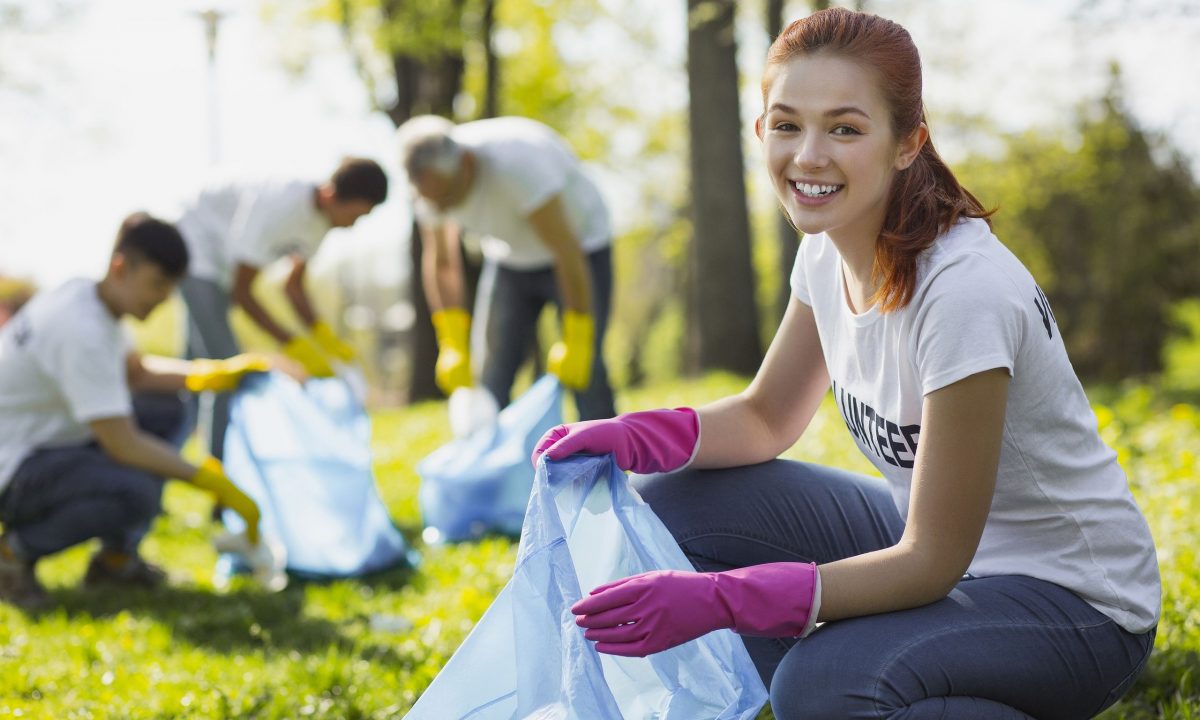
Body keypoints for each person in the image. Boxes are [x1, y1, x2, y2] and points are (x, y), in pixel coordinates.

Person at [533, 8, 1159, 718]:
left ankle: (858, 688)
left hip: (1073, 605)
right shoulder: (826, 248)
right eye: (787, 123)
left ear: (906, 142)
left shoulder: (963, 293)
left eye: (845, 128)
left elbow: (932, 561)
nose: (808, 156)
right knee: (683, 499)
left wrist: (722, 600)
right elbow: (767, 418)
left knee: (824, 685)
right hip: (941, 556)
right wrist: (632, 437)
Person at [0, 213, 264, 610]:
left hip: (45, 447)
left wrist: (206, 375)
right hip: (13, 469)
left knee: (164, 412)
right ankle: (11, 557)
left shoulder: (89, 299)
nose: (162, 299)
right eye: (158, 284)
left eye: (172, 288)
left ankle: (115, 560)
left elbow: (135, 373)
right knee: (135, 491)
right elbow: (123, 445)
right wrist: (212, 482)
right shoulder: (80, 329)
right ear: (121, 267)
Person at [396, 115, 616, 421]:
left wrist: (578, 334)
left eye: (446, 198)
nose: (442, 210)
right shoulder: (430, 187)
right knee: (492, 371)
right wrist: (452, 342)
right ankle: (495, 460)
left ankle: (606, 456)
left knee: (586, 369)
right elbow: (443, 262)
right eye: (434, 204)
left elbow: (565, 250)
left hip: (581, 249)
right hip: (509, 257)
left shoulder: (518, 163)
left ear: (467, 164)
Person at [176, 157, 388, 458]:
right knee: (226, 369)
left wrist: (322, 337)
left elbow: (292, 286)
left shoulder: (322, 221)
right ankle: (220, 479)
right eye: (354, 215)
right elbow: (243, 292)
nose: (352, 225)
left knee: (193, 371)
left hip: (223, 269)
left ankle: (165, 458)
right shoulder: (281, 205)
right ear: (330, 195)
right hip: (194, 250)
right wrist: (292, 343)